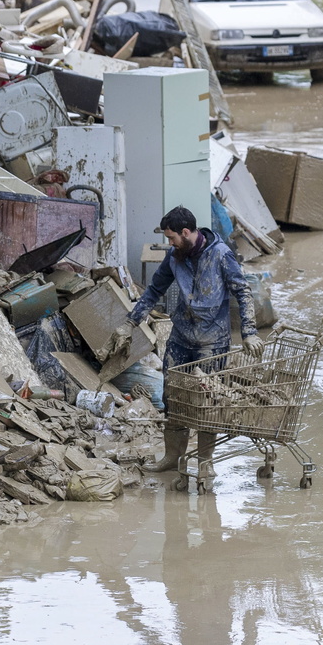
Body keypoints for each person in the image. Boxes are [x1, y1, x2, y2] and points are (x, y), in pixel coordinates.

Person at [110, 206, 263, 488]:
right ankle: (173, 456)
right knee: (173, 396)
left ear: (185, 232)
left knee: (206, 402)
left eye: (171, 238)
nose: (169, 243)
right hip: (181, 337)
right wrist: (130, 324)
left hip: (212, 341)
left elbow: (242, 291)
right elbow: (154, 290)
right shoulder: (175, 256)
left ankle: (205, 462)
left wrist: (249, 332)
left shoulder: (220, 255)